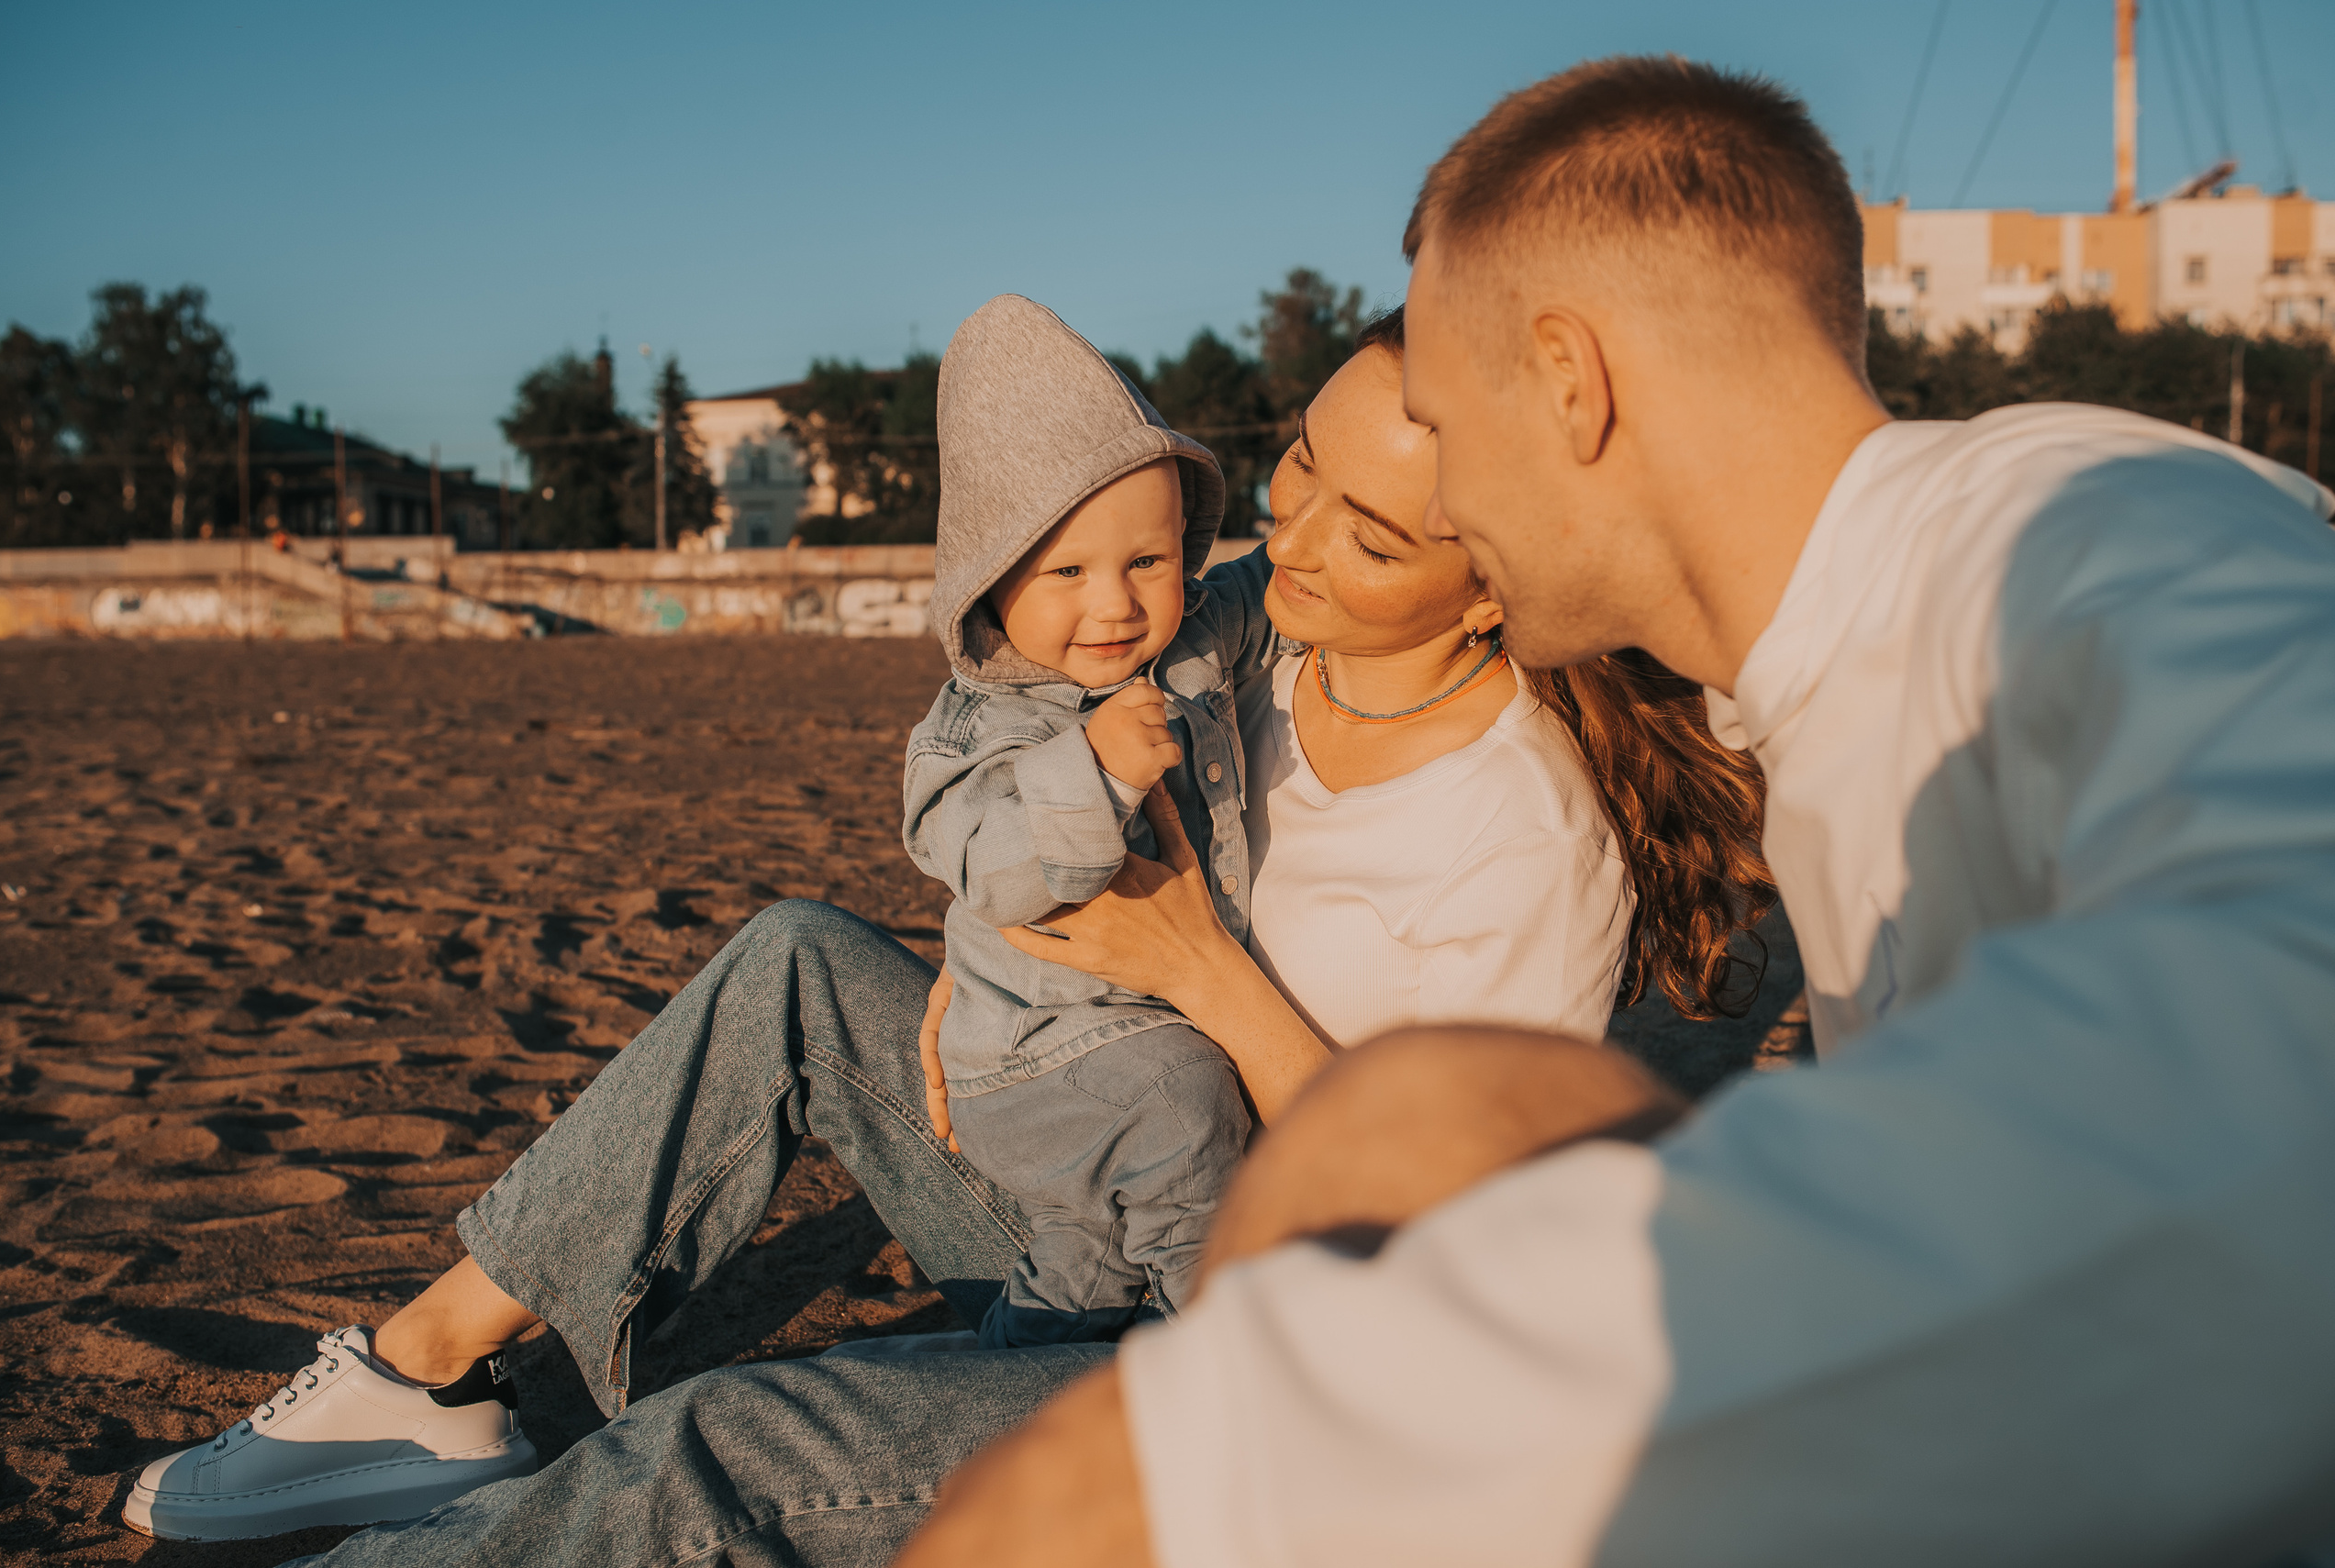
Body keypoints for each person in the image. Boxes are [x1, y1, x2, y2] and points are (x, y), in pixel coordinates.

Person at [898, 56, 2335, 1568]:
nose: (1439, 501)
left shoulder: (2072, 524)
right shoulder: (1804, 685)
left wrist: (1252, 1449)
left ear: (1568, 383)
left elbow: (2285, 1027)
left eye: (1442, 424)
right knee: (1427, 1110)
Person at [120, 278, 1770, 1551]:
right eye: (1296, 467)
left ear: (1502, 575)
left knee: (730, 1447)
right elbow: (1026, 671)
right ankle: (422, 1375)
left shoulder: (1520, 832)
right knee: (793, 959)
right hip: (1083, 1172)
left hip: (1261, 1350)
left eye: (1377, 530)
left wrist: (1192, 958)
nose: (1296, 540)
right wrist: (985, 986)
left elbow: (1445, 1247)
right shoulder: (1252, 630)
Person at [903, 291, 1268, 1348]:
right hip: (1031, 1057)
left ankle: (1029, 1364)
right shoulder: (976, 727)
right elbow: (992, 867)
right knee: (1185, 1108)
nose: (1115, 603)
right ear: (990, 576)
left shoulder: (1189, 641)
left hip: (1110, 1037)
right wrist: (1092, 772)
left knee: (1083, 1263)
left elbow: (1273, 582)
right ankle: (1224, 1352)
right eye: (1066, 570)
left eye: (1146, 562)